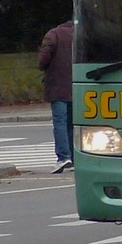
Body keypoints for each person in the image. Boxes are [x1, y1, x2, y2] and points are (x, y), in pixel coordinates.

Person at [38, 19, 75, 174]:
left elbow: (43, 60)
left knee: (59, 122)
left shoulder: (54, 34)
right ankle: (74, 156)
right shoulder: (81, 35)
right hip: (77, 87)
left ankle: (63, 157)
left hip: (58, 86)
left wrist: (42, 65)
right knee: (72, 124)